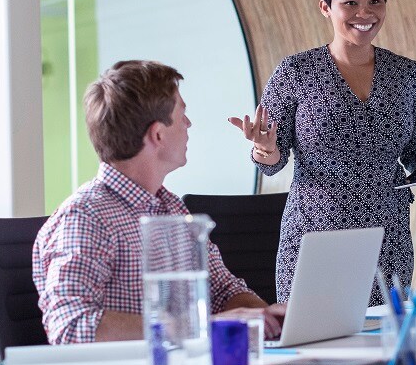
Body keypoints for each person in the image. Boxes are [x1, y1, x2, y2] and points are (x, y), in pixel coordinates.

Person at [229, 0, 416, 306]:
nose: (365, 13)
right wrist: (265, 148)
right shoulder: (296, 72)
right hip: (316, 237)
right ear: (326, 7)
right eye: (350, 3)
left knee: (385, 337)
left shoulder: (408, 75)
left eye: (375, 1)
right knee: (314, 339)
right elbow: (272, 163)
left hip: (388, 240)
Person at [33, 60, 285, 343]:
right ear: (158, 134)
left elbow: (224, 291)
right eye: (182, 115)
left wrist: (269, 318)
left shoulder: (171, 208)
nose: (188, 124)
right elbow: (70, 326)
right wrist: (202, 327)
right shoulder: (84, 216)